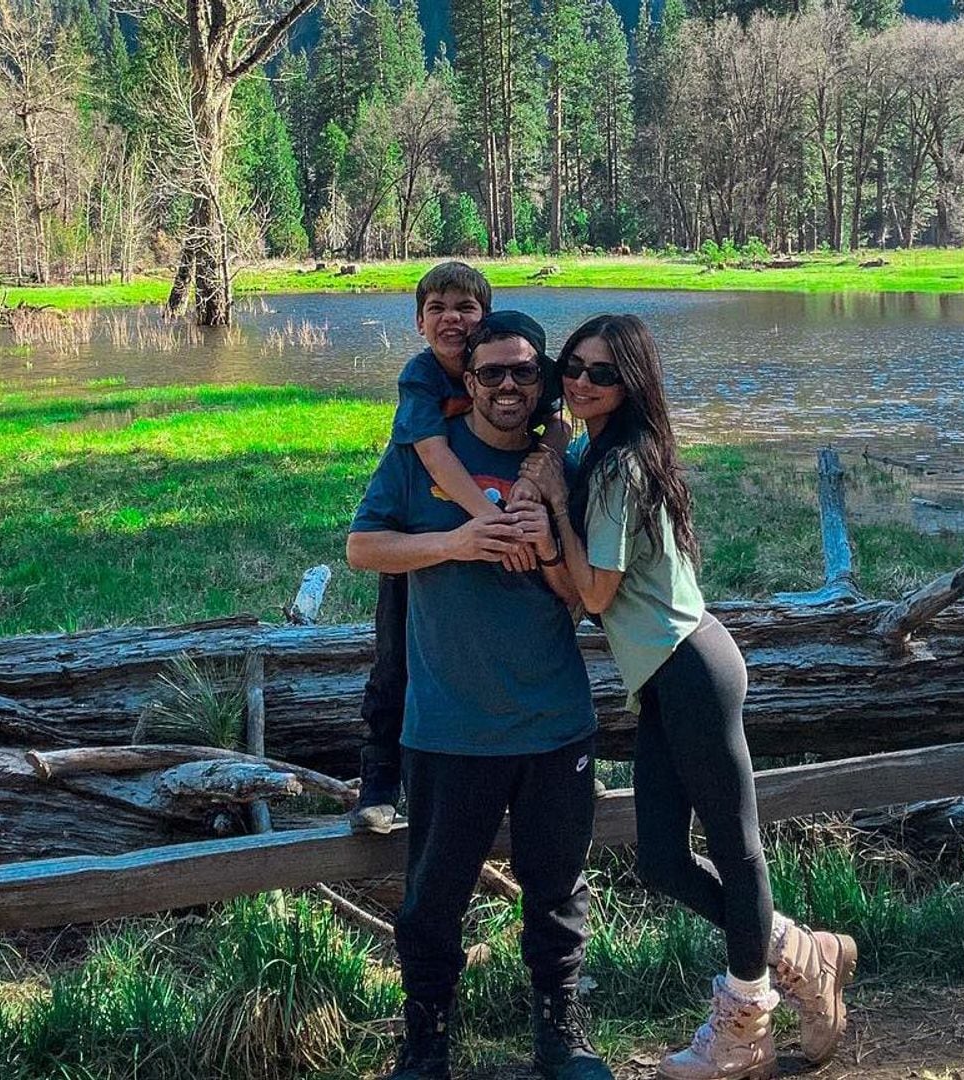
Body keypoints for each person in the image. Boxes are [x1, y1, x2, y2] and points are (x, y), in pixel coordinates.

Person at [519, 314, 857, 1080]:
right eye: (573, 366)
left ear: (631, 381)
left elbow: (596, 592)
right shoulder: (598, 451)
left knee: (737, 850)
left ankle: (745, 1026)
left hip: (692, 669)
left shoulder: (619, 467)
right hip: (667, 676)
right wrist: (551, 466)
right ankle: (803, 951)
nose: (580, 382)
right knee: (664, 862)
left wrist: (555, 505)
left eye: (601, 373)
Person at [347, 312, 610, 1080]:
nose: (505, 386)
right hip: (447, 729)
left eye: (522, 373)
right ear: (468, 381)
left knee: (557, 898)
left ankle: (561, 1040)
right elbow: (362, 547)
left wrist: (550, 523)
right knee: (432, 904)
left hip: (554, 722)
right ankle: (425, 1047)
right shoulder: (418, 458)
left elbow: (587, 597)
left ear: (542, 385)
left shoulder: (564, 466)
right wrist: (457, 541)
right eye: (490, 372)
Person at [352, 262, 570, 834]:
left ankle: (550, 762)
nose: (452, 318)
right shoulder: (423, 377)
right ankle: (379, 777)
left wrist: (540, 466)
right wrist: (489, 526)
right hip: (428, 549)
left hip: (543, 708)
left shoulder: (512, 366)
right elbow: (433, 455)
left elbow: (558, 423)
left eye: (466, 308)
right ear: (419, 322)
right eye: (437, 309)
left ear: (486, 318)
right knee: (395, 663)